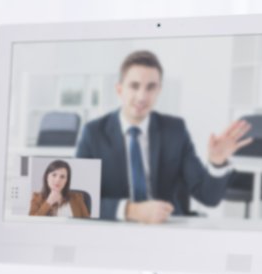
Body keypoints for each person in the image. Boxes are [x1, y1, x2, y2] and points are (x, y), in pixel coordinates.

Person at [76, 50, 252, 224]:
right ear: (119, 89)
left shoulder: (175, 130)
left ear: (159, 90)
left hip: (166, 228)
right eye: (134, 86)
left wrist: (217, 162)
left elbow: (208, 197)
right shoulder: (93, 133)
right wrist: (131, 210)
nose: (142, 96)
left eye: (151, 87)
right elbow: (78, 200)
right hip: (113, 230)